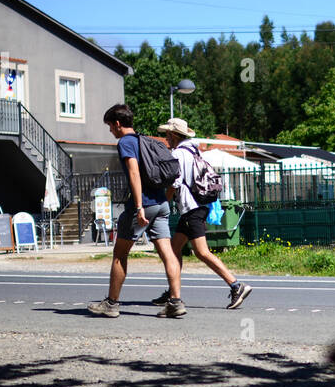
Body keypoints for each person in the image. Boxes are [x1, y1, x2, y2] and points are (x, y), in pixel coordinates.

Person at [87, 104, 184, 318]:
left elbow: (134, 174)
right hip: (161, 204)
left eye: (110, 126)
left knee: (120, 254)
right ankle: (175, 302)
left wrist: (139, 206)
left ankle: (111, 304)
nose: (110, 131)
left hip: (144, 205)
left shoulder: (126, 142)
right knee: (168, 253)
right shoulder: (145, 140)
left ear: (118, 124)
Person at [154, 117, 253, 311]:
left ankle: (236, 285)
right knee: (174, 249)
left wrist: (162, 203)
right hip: (197, 206)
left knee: (202, 251)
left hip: (192, 208)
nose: (166, 138)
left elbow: (175, 183)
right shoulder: (193, 150)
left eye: (167, 135)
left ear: (174, 135)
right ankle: (173, 292)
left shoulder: (179, 154)